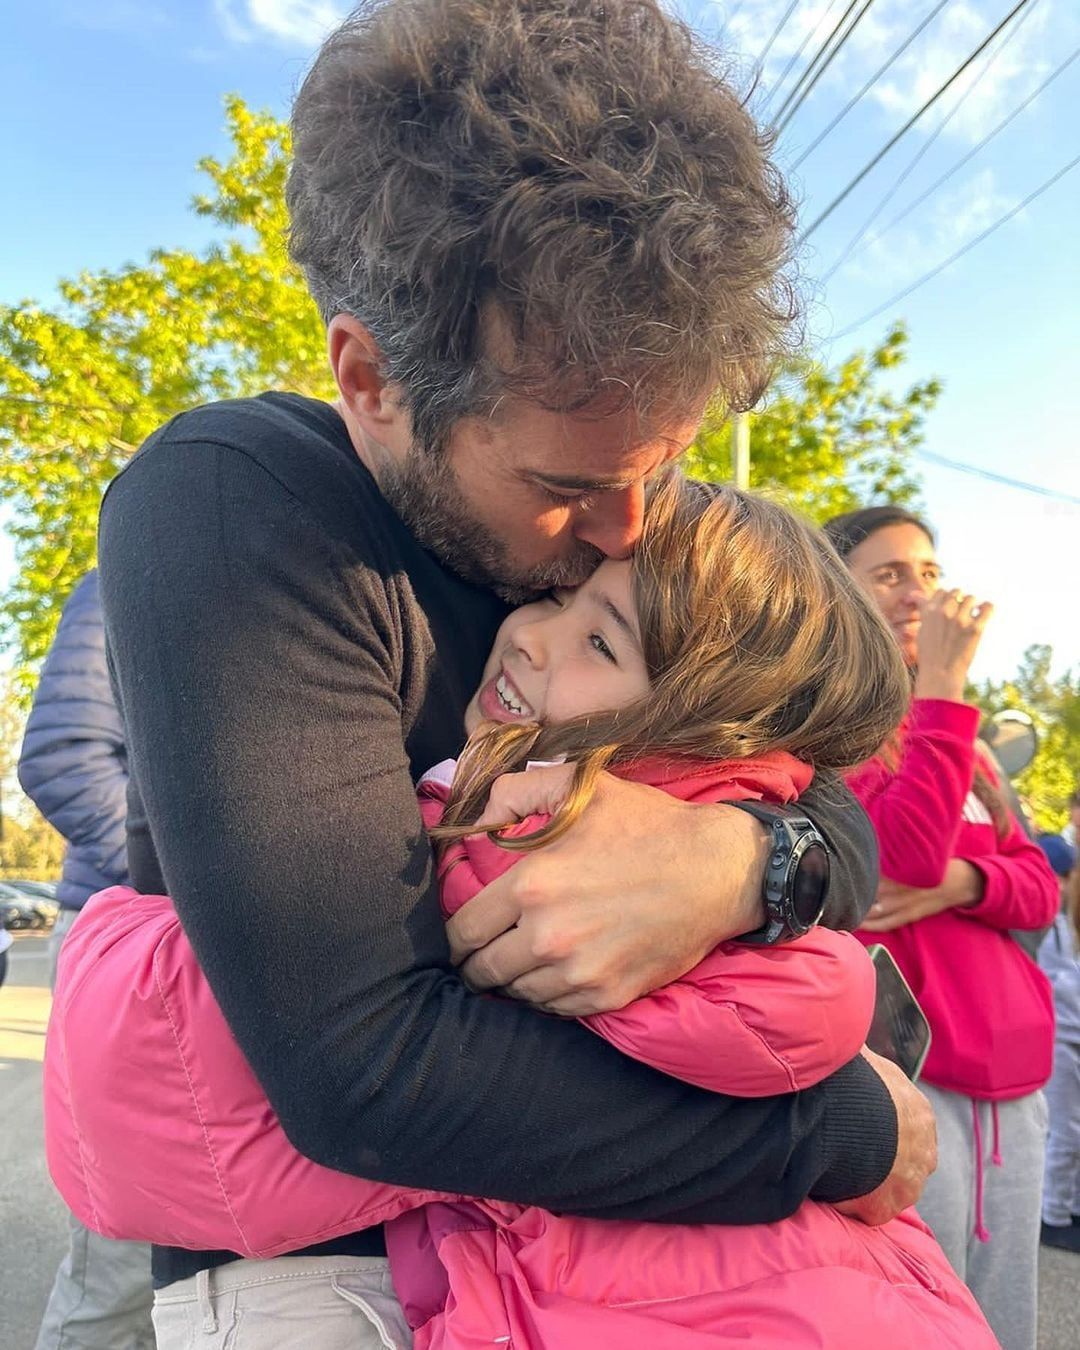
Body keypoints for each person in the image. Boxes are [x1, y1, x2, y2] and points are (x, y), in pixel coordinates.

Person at [84, 3, 934, 1342]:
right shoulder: (238, 509)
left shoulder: (606, 467)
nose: (635, 531)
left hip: (638, 1244)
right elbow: (365, 1065)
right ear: (369, 378)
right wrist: (831, 1127)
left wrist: (742, 863)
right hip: (340, 1257)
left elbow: (822, 784)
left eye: (670, 459)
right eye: (571, 487)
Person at [48, 480, 995, 1347]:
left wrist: (748, 861)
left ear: (700, 724)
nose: (533, 633)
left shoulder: (535, 838)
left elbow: (173, 1096)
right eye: (554, 598)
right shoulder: (253, 507)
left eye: (600, 639)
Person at [824, 505, 1058, 1350]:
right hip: (912, 1073)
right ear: (835, 590)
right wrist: (945, 690)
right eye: (889, 574)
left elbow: (1039, 886)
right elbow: (905, 858)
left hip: (1012, 1070)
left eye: (927, 571)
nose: (918, 591)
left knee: (1008, 1315)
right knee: (930, 1316)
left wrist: (965, 882)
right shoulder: (829, 728)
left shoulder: (978, 754)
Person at [17, 570, 155, 1350]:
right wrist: (197, 884)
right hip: (134, 932)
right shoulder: (131, 562)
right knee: (122, 1263)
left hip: (181, 927)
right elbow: (61, 759)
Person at [1036, 832, 1080, 1252]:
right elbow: (1059, 986)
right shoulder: (1048, 926)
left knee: (1075, 1131)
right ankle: (1053, 1213)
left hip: (1071, 1037)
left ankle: (1070, 1204)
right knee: (1065, 1132)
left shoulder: (1068, 922)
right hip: (1061, 1040)